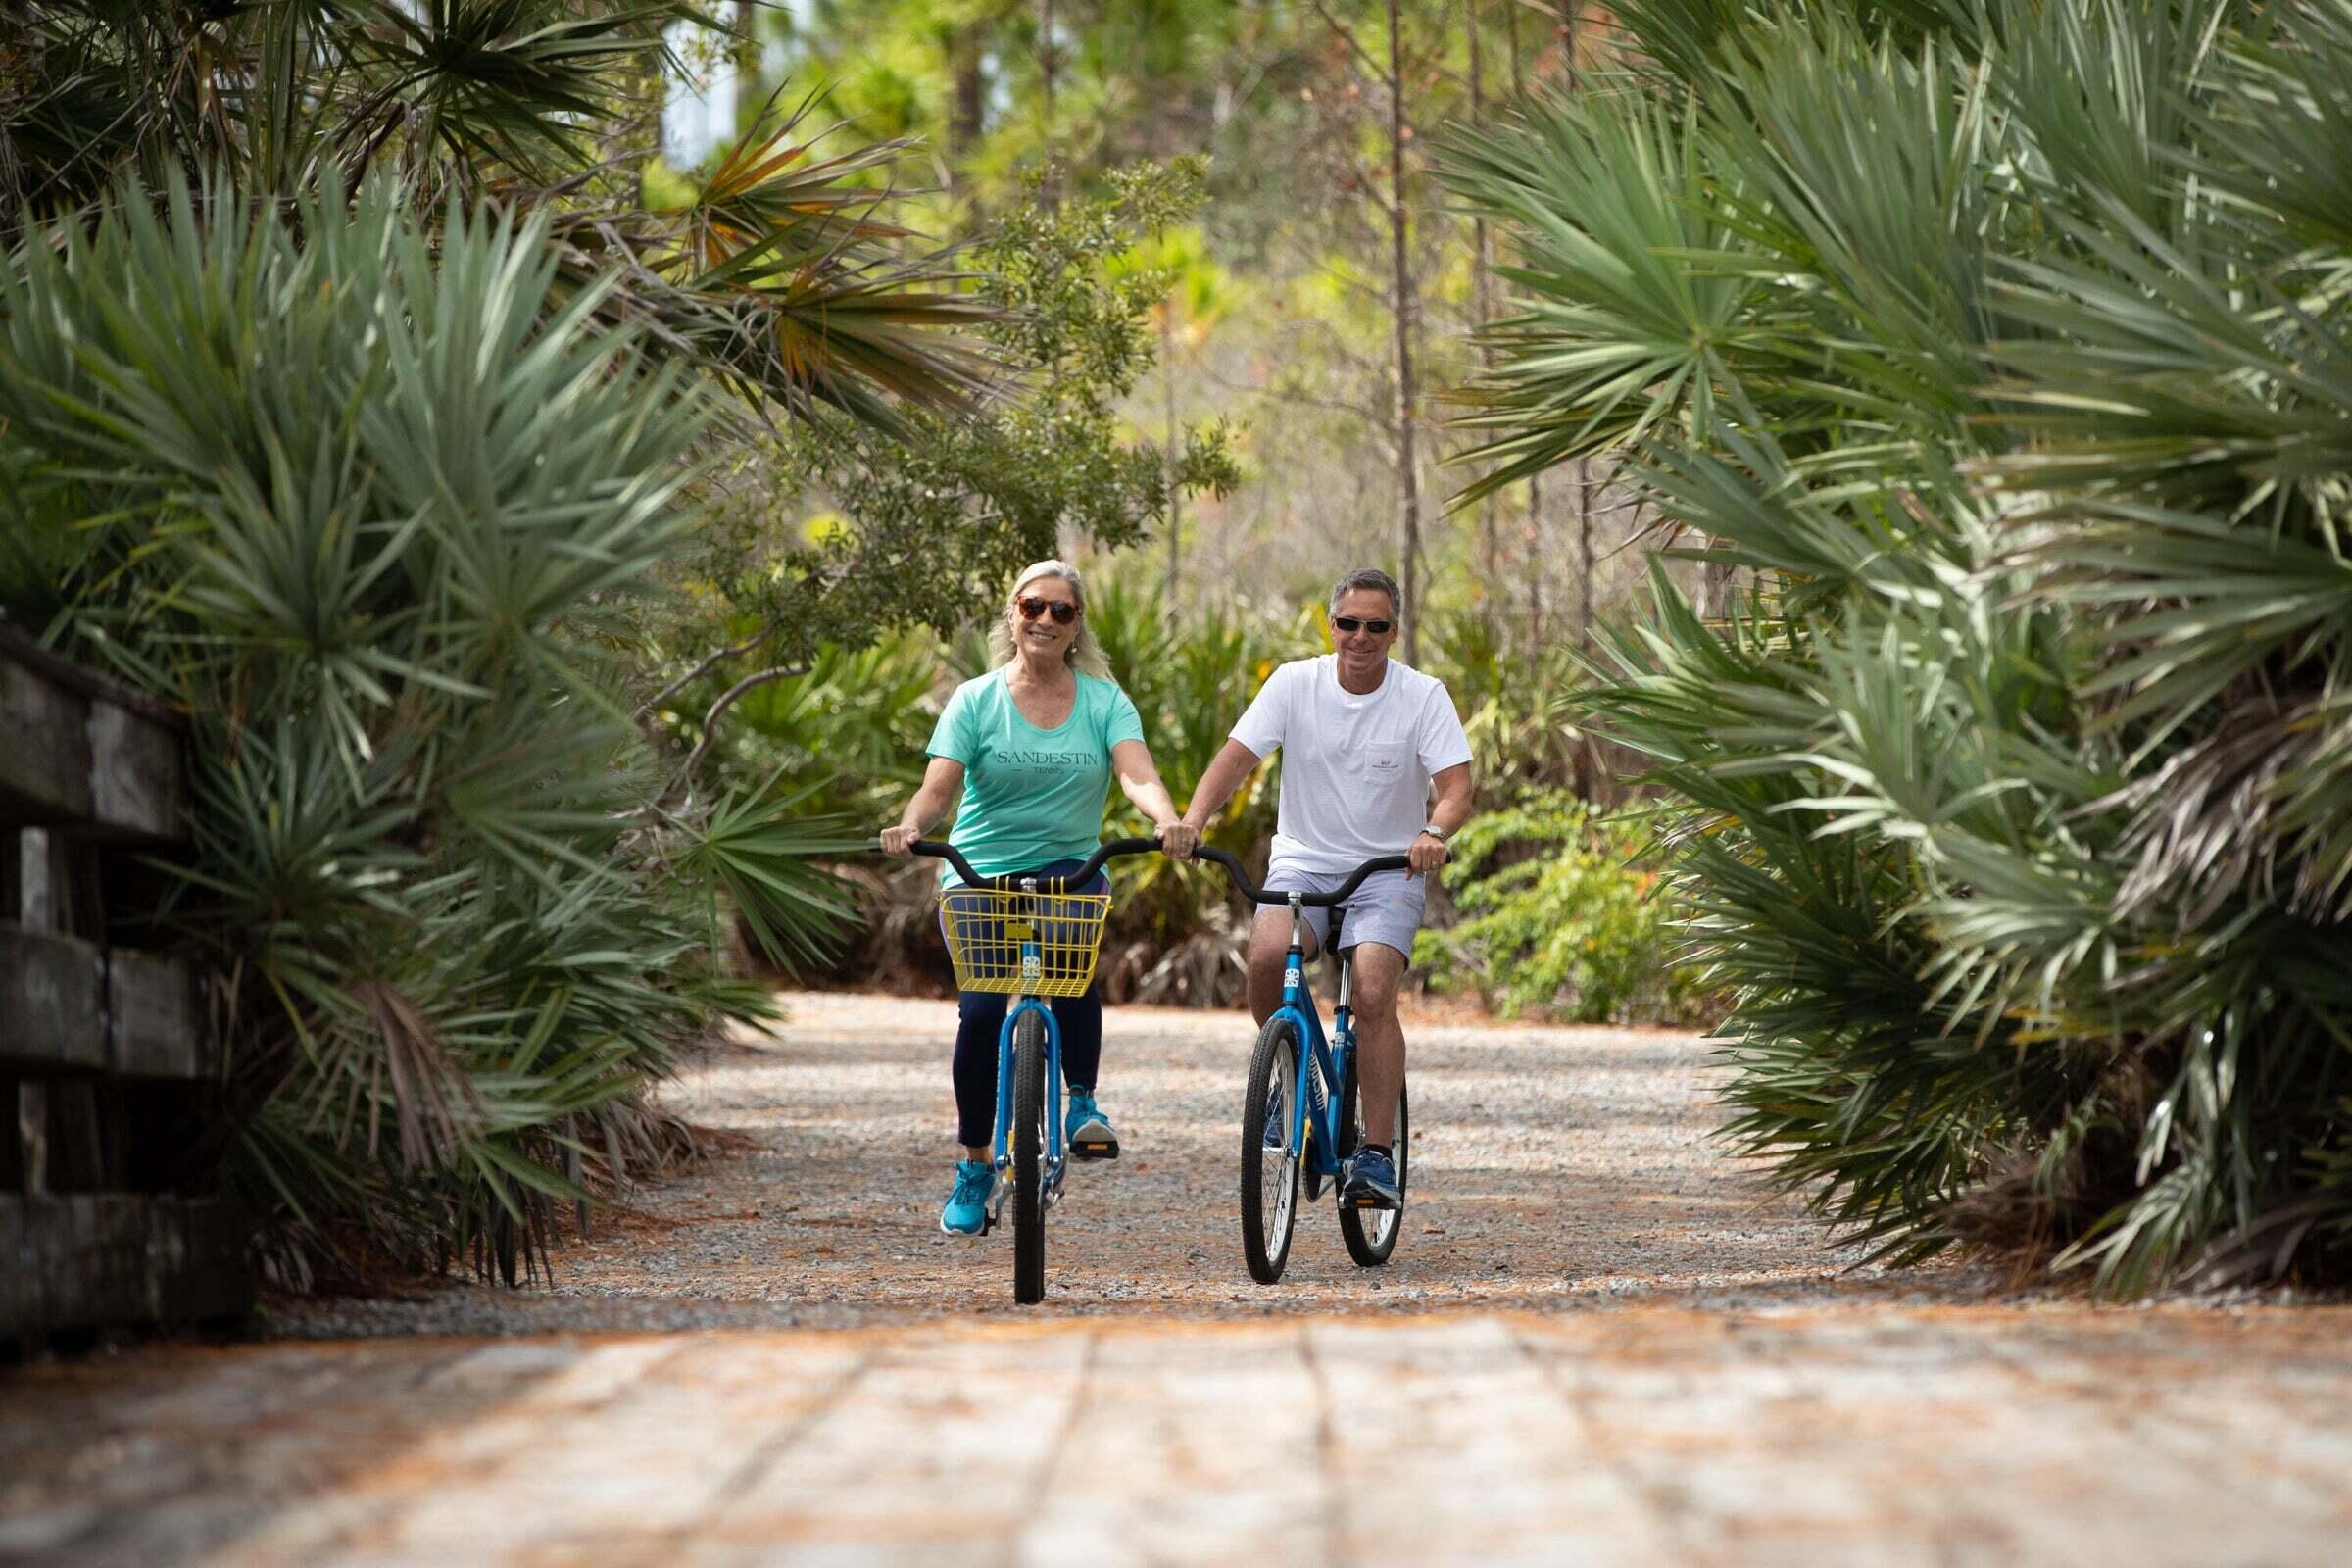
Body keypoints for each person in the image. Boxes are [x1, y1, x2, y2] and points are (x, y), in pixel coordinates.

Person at [882, 561, 1198, 1236]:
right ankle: (974, 1164)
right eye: (1033, 607)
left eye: (1062, 611)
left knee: (1069, 963)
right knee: (981, 1010)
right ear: (1013, 614)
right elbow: (938, 788)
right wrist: (912, 826)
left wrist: (1167, 819)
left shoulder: (1104, 702)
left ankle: (1081, 1102)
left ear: (1077, 625)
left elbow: (1137, 773)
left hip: (1067, 865)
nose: (1046, 621)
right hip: (979, 868)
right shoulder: (976, 700)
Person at [1177, 567, 1473, 1209]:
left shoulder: (1422, 696)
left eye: (1375, 625)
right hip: (1304, 864)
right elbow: (1235, 760)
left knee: (1372, 993)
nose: (1360, 636)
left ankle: (1376, 1155)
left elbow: (1456, 787)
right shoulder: (1294, 684)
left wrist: (1432, 832)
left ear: (1394, 632)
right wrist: (1193, 820)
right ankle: (1291, 1078)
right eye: (1348, 623)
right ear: (1330, 624)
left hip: (1387, 871)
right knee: (1265, 960)